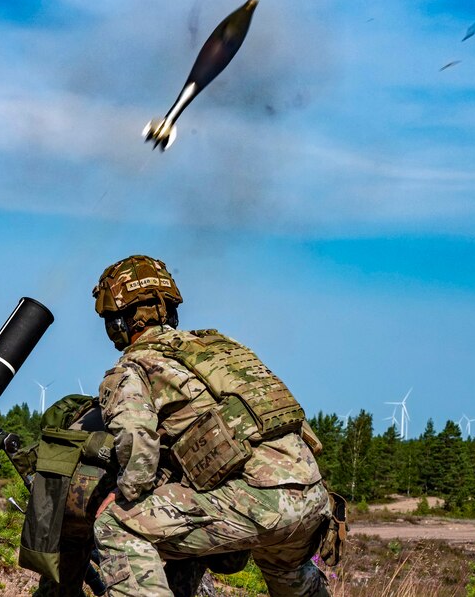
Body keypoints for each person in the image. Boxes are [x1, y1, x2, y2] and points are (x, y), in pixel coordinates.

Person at [90, 255, 332, 596]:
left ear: (118, 322)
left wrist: (126, 493)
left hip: (259, 502)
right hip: (314, 500)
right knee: (289, 572)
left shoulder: (134, 366)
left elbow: (137, 444)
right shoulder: (222, 349)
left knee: (116, 525)